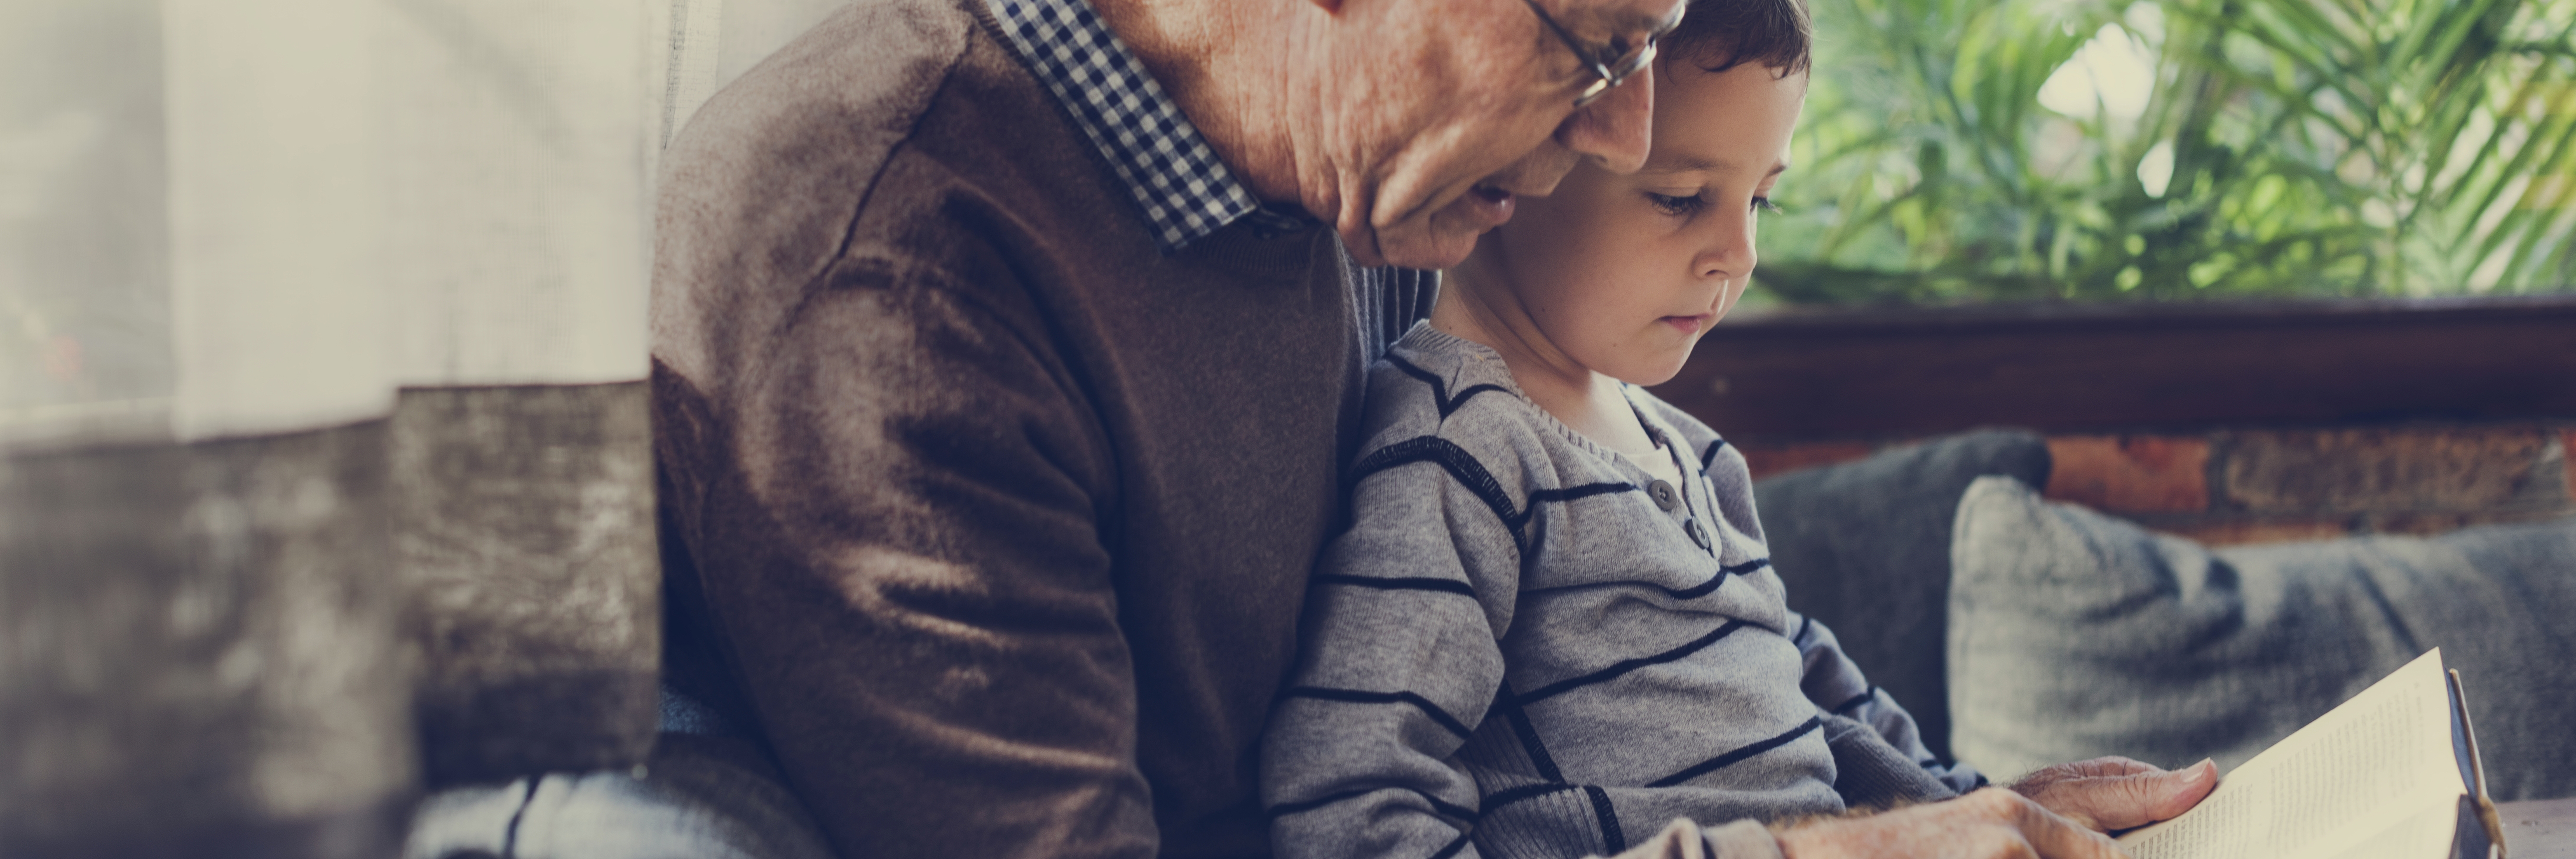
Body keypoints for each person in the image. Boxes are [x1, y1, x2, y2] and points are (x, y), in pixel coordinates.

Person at [413, 0, 2212, 857]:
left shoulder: (1343, 189)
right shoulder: (890, 245)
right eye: (1588, 41)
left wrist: (1960, 809)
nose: (1609, 137)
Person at [1257, 1, 2218, 858]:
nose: (1738, 252)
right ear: (1517, 158)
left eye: (1761, 199)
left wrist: (1986, 808)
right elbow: (1350, 809)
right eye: (1680, 197)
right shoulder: (1459, 454)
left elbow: (1802, 680)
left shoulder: (1687, 449)